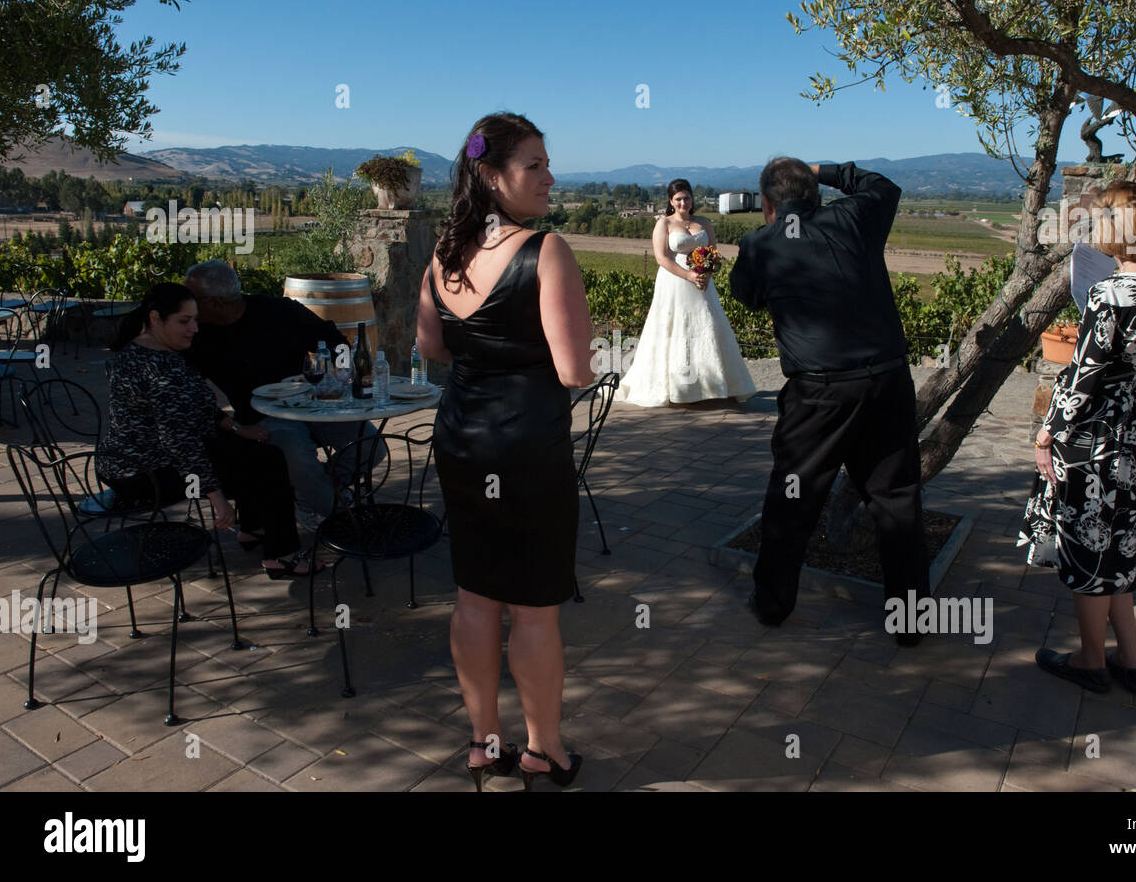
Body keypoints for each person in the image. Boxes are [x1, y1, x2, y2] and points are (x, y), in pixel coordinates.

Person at [417, 112, 594, 791]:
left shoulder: (444, 250)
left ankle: (484, 741)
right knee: (536, 605)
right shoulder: (546, 250)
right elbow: (574, 368)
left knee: (475, 594)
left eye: (548, 164)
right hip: (526, 449)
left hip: (461, 438)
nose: (550, 177)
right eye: (535, 165)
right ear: (490, 175)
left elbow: (431, 346)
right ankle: (545, 749)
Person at [729, 157, 929, 642]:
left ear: (769, 205)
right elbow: (885, 185)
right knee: (897, 500)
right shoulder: (855, 217)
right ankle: (911, 624)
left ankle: (773, 605)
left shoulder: (760, 243)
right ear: (817, 193)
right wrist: (827, 170)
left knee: (792, 500)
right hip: (887, 382)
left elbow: (746, 295)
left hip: (819, 395)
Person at [1020, 181, 1136, 694]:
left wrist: (1047, 433)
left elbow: (1083, 375)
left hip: (1090, 435)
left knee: (1087, 546)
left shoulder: (1109, 292)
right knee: (1119, 541)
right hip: (1133, 426)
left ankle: (1092, 662)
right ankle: (1131, 661)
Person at [98, 283, 306, 577]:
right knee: (267, 462)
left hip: (123, 462)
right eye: (184, 321)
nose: (194, 328)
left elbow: (195, 407)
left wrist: (234, 427)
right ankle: (283, 556)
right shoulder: (160, 371)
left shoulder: (140, 350)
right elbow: (180, 442)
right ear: (156, 319)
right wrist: (216, 497)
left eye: (195, 320)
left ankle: (254, 529)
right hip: (144, 473)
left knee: (252, 450)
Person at [183, 260, 379, 530]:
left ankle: (308, 496)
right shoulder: (198, 335)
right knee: (298, 458)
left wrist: (339, 378)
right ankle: (350, 525)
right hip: (261, 415)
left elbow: (335, 341)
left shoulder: (277, 311)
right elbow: (187, 392)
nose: (187, 304)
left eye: (192, 298)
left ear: (215, 302)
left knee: (370, 445)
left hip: (309, 403)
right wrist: (234, 425)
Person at [617, 179, 756, 406]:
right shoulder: (664, 224)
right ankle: (681, 388)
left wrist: (705, 275)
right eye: (678, 199)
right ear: (671, 201)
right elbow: (661, 258)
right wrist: (688, 275)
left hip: (702, 284)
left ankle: (713, 386)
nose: (683, 202)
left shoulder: (704, 223)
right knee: (676, 329)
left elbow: (714, 253)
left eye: (687, 198)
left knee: (708, 326)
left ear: (693, 199)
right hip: (674, 283)